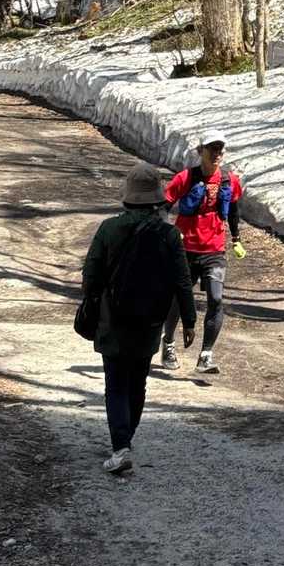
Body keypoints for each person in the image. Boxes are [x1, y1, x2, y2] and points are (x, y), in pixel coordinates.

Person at [82, 163, 197, 475]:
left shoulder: (109, 229)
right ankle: (126, 439)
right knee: (138, 382)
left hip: (113, 318)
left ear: (128, 197)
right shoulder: (169, 235)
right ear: (157, 199)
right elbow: (182, 280)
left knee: (116, 383)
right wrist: (189, 320)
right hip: (151, 320)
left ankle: (120, 446)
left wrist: (93, 298)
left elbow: (91, 275)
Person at [161, 131, 244, 375]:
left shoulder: (229, 181)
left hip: (214, 250)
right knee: (179, 299)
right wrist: (169, 232)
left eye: (220, 149)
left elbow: (234, 211)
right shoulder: (185, 178)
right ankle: (168, 343)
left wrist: (236, 239)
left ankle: (206, 355)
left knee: (216, 299)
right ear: (201, 151)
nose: (217, 154)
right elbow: (163, 207)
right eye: (212, 149)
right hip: (185, 250)